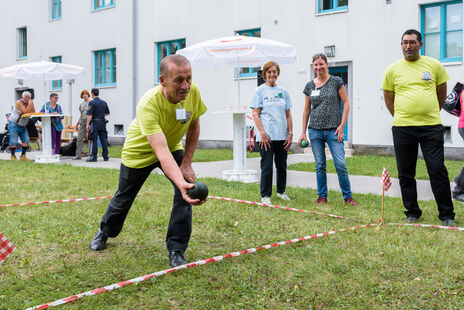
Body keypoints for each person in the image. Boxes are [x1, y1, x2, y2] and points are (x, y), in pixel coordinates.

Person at [89, 54, 207, 267]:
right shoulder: (148, 104)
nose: (186, 86)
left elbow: (194, 124)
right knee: (123, 198)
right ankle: (104, 231)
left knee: (185, 192)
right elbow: (160, 152)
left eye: (188, 78)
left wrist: (186, 164)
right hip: (139, 152)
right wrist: (180, 181)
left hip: (171, 146)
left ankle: (177, 249)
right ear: (162, 81)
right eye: (178, 80)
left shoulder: (193, 91)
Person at [382, 29, 455, 227]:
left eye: (412, 42)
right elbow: (389, 98)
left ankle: (447, 215)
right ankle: (412, 212)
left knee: (437, 170)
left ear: (420, 44)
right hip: (403, 128)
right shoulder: (392, 70)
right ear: (401, 45)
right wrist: (402, 116)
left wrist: (429, 112)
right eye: (404, 42)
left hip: (431, 127)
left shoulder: (434, 65)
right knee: (406, 173)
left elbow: (441, 94)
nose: (408, 46)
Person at [299, 53, 359, 206]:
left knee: (340, 164)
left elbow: (346, 103)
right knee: (320, 165)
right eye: (316, 65)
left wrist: (342, 125)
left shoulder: (336, 81)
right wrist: (303, 132)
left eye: (321, 64)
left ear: (327, 65)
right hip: (315, 131)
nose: (318, 67)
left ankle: (348, 198)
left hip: (334, 130)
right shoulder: (309, 86)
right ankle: (322, 197)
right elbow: (306, 110)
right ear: (313, 66)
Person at [250, 61, 293, 205]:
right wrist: (262, 132)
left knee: (281, 165)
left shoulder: (284, 92)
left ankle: (281, 192)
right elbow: (255, 114)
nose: (272, 74)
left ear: (278, 73)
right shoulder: (259, 91)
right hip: (266, 137)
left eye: (274, 72)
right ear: (264, 74)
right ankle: (265, 195)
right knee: (267, 166)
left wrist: (290, 133)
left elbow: (288, 115)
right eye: (269, 72)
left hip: (281, 135)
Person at [8, 91, 35, 161]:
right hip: (14, 124)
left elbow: (33, 112)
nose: (27, 99)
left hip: (23, 125)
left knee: (26, 140)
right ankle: (13, 156)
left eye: (29, 97)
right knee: (14, 141)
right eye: (26, 97)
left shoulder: (30, 103)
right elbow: (26, 112)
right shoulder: (18, 102)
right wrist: (29, 105)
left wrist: (27, 108)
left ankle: (23, 156)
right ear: (22, 97)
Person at [86, 88, 110, 162]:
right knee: (104, 140)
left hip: (95, 123)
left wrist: (87, 124)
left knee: (94, 140)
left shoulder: (91, 103)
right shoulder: (104, 102)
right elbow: (107, 113)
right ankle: (105, 156)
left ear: (92, 93)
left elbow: (89, 115)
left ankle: (94, 157)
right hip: (102, 123)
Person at [73, 90, 91, 160]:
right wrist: (77, 123)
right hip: (82, 123)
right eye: (83, 94)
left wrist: (89, 123)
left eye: (86, 94)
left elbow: (91, 114)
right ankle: (78, 155)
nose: (85, 95)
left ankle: (90, 154)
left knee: (90, 139)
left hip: (89, 122)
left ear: (88, 95)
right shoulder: (81, 105)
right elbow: (81, 115)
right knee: (79, 139)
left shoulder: (91, 103)